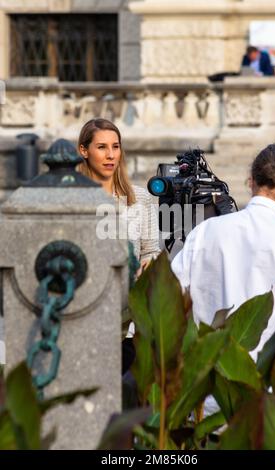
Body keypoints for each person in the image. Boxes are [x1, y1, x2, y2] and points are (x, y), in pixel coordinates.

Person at [172, 144, 275, 363]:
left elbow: (171, 300)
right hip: (273, 389)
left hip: (208, 381)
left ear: (251, 181)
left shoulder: (204, 232)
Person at [77, 118, 160, 372]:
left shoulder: (141, 199)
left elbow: (151, 248)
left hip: (130, 325)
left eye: (115, 146)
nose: (110, 155)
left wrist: (148, 265)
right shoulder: (72, 200)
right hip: (86, 320)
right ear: (84, 150)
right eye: (101, 147)